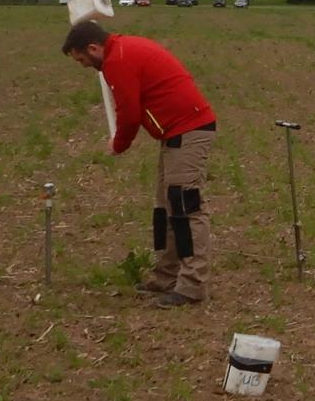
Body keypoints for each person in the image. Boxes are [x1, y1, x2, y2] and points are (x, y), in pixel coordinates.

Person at [62, 20, 217, 307]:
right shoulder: (121, 51)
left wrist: (118, 145)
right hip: (175, 133)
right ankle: (166, 275)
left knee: (185, 206)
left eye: (82, 59)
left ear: (94, 48)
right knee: (166, 205)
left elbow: (129, 113)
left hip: (190, 129)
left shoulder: (117, 60)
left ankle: (193, 285)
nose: (83, 65)